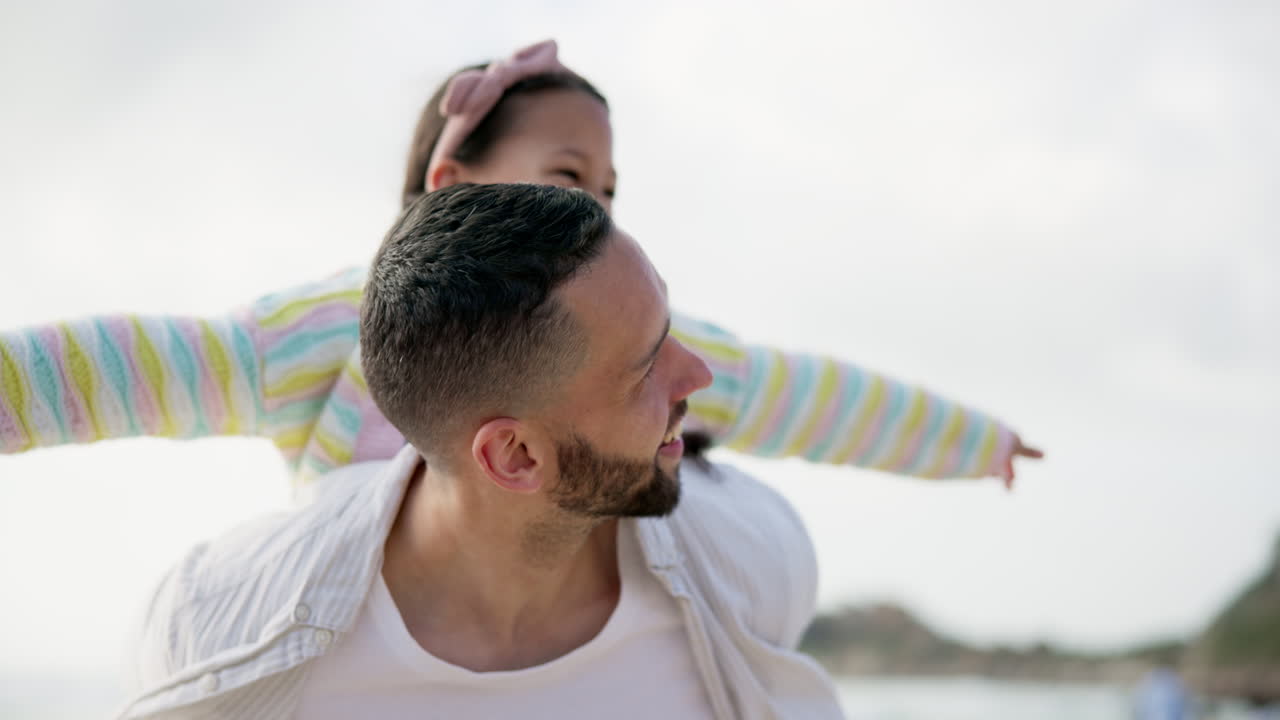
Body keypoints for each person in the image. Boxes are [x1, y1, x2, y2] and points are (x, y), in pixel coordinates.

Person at [0, 40, 1040, 492]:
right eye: (566, 174)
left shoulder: (643, 345)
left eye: (609, 188)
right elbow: (126, 369)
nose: (595, 207)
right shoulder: (324, 335)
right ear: (453, 186)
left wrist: (971, 442)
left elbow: (800, 398)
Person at [122, 183, 845, 719]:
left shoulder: (752, 560)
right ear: (516, 457)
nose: (697, 375)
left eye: (669, 325)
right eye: (644, 364)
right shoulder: (217, 631)